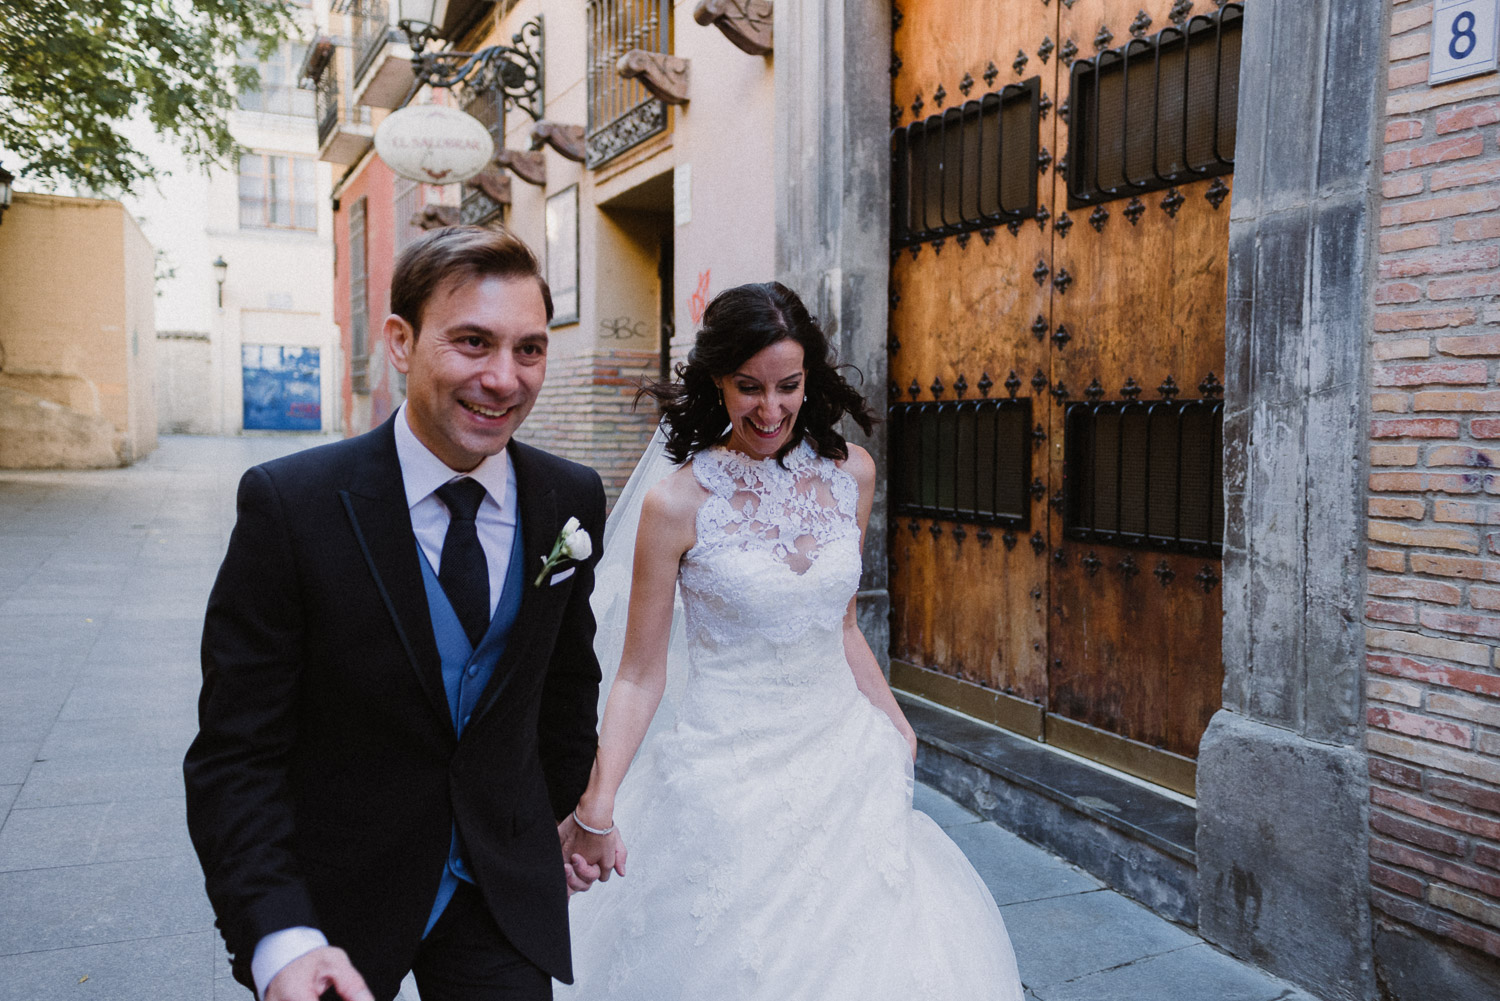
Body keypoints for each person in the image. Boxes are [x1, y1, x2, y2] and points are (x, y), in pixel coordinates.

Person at [556, 282, 1024, 999]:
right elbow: (638, 675)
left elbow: (838, 624)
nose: (769, 409)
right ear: (718, 380)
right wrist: (599, 801)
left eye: (788, 386)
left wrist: (894, 721)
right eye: (748, 387)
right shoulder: (677, 502)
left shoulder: (852, 477)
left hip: (843, 760)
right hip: (726, 774)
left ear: (811, 379)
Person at [184, 226, 607, 1001]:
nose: (504, 379)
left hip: (497, 895)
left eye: (529, 349)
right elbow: (235, 754)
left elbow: (566, 683)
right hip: (334, 903)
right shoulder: (292, 505)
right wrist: (281, 934)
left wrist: (549, 818)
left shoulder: (569, 499)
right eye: (473, 342)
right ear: (401, 342)